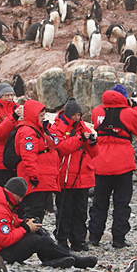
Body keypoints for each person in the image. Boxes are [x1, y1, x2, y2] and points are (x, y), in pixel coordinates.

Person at [0, 178, 97, 268]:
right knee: (37, 240)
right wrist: (26, 228)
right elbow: (4, 239)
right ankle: (75, 261)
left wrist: (24, 223)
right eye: (21, 197)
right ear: (16, 194)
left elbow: (11, 222)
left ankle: (53, 259)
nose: (21, 200)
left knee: (39, 233)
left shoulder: (0, 203)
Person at [86, 84, 137, 249]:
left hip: (100, 162)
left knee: (99, 202)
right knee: (121, 203)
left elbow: (95, 123)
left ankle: (94, 236)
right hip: (123, 164)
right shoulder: (128, 113)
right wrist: (136, 109)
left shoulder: (97, 111)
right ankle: (118, 239)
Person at [50, 100, 96, 251]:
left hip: (82, 176)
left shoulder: (83, 127)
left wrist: (92, 142)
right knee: (64, 210)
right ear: (68, 114)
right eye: (75, 115)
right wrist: (80, 139)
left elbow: (94, 153)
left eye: (79, 115)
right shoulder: (57, 127)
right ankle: (62, 239)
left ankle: (78, 240)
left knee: (81, 211)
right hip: (66, 176)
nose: (77, 118)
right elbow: (61, 148)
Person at [11, 99, 60, 222]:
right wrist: (34, 177)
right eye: (41, 115)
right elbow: (28, 156)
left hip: (42, 179)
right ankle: (30, 238)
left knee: (37, 212)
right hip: (37, 181)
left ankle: (34, 238)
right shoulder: (28, 131)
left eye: (44, 115)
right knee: (33, 212)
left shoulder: (37, 130)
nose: (43, 118)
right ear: (34, 115)